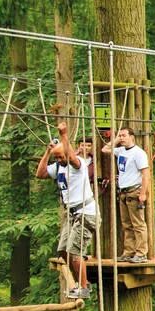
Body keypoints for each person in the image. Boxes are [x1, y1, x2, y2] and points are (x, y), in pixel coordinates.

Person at [36, 119, 98, 300]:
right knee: (63, 250)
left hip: (86, 212)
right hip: (72, 214)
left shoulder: (78, 165)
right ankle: (79, 279)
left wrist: (64, 135)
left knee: (75, 252)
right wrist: (48, 153)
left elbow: (70, 156)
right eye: (57, 158)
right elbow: (40, 174)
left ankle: (84, 288)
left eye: (60, 157)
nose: (59, 160)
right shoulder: (59, 167)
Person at [101, 126, 152, 262]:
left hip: (134, 191)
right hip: (123, 192)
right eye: (121, 136)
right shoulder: (121, 151)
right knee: (126, 224)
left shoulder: (139, 153)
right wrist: (116, 139)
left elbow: (146, 174)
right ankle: (129, 252)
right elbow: (105, 149)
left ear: (132, 136)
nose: (122, 138)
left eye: (124, 136)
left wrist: (143, 193)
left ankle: (141, 253)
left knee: (138, 224)